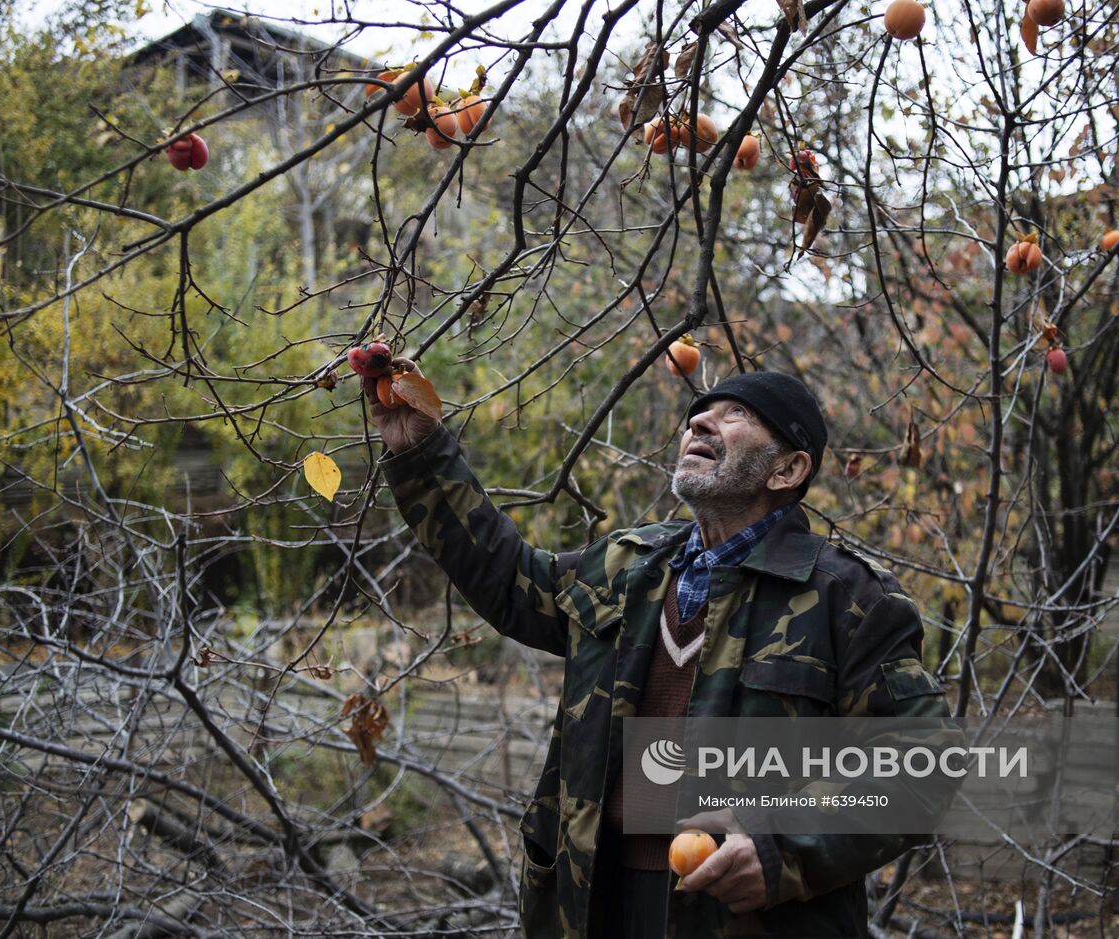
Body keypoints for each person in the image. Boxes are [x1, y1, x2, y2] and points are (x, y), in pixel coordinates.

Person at [366, 362, 953, 939]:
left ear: (788, 468)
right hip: (594, 901)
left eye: (735, 415)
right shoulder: (627, 565)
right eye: (697, 414)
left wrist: (781, 849)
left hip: (746, 918)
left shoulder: (847, 597)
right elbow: (508, 580)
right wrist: (422, 452)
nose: (698, 422)